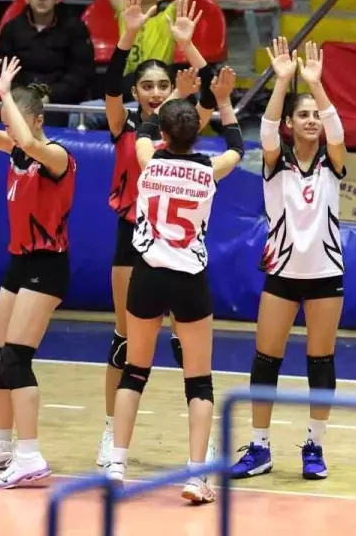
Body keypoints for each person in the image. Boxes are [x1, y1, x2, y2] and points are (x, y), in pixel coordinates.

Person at [103, 64, 244, 504]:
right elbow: (237, 145)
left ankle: (117, 466)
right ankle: (196, 476)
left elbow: (142, 132)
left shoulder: (149, 161)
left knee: (134, 372)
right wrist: (221, 101)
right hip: (189, 278)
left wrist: (166, 106)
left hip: (147, 275)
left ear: (164, 134)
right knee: (199, 381)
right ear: (195, 136)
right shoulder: (208, 169)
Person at [95, 0, 216, 469]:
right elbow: (109, 86)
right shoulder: (125, 126)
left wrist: (187, 45)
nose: (155, 91)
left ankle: (197, 447)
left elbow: (212, 95)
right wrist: (126, 35)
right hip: (134, 241)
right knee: (125, 342)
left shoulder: (179, 129)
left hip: (180, 247)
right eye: (146, 85)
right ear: (137, 91)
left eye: (163, 84)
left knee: (187, 345)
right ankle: (112, 435)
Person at [0, 55, 77, 489]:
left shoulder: (58, 156)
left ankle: (30, 454)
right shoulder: (16, 151)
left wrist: (5, 94)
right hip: (19, 261)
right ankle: (2, 445)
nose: (8, 129)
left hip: (47, 266)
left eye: (14, 120)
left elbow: (27, 143)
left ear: (36, 120)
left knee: (16, 358)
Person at [231, 37, 347, 482]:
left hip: (324, 275)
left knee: (321, 361)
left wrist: (317, 88)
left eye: (316, 116)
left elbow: (337, 134)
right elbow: (264, 132)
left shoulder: (332, 163)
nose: (312, 121)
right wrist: (282, 82)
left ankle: (315, 445)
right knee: (267, 359)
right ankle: (259, 447)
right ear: (290, 124)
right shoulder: (275, 164)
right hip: (281, 273)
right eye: (304, 115)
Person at [0, 0, 95, 107]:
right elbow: (2, 71)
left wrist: (49, 95)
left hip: (61, 104)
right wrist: (25, 96)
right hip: (19, 103)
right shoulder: (11, 29)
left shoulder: (75, 29)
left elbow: (81, 73)